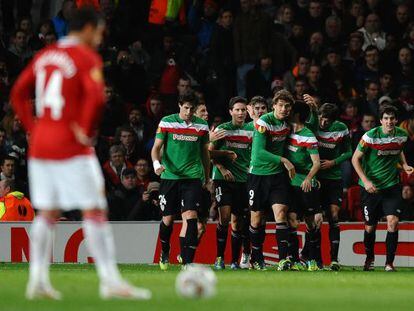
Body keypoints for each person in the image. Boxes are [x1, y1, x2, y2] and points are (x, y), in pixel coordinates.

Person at [11, 7, 151, 300]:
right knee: (95, 210)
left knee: (47, 212)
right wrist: (85, 131)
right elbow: (97, 96)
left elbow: (18, 93)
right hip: (70, 144)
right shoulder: (86, 57)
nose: (100, 38)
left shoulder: (45, 55)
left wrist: (30, 127)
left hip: (41, 144)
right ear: (87, 28)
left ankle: (37, 279)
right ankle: (110, 281)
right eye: (99, 31)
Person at [151, 92, 210, 269]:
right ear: (179, 105)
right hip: (170, 177)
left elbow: (205, 154)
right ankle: (165, 251)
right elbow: (156, 148)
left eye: (192, 108)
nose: (189, 112)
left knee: (191, 216)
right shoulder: (167, 122)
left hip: (192, 177)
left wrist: (206, 178)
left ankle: (187, 261)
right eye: (186, 108)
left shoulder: (202, 126)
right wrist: (156, 164)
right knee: (168, 219)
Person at [351, 105, 413, 272]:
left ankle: (389, 264)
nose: (389, 121)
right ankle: (369, 257)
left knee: (392, 222)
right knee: (370, 227)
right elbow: (355, 159)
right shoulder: (370, 136)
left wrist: (405, 165)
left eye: (392, 118)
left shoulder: (402, 135)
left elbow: (398, 150)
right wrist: (366, 181)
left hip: (392, 186)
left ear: (396, 120)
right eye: (386, 118)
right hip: (370, 188)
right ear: (381, 120)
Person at [247, 90, 295, 270]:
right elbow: (259, 152)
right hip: (258, 175)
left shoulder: (287, 123)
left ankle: (283, 259)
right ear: (274, 106)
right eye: (281, 105)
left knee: (281, 213)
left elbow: (309, 126)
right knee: (257, 219)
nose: (284, 109)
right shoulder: (263, 122)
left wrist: (313, 110)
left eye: (287, 106)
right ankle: (256, 257)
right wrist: (283, 160)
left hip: (277, 177)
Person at [305, 99, 352, 270]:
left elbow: (348, 152)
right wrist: (312, 108)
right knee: (316, 219)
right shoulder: (313, 124)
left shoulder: (341, 129)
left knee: (333, 215)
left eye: (327, 120)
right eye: (322, 118)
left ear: (334, 121)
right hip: (315, 177)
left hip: (333, 178)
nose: (323, 122)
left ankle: (334, 260)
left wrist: (333, 162)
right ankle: (312, 257)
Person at [210, 96, 253, 270]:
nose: (241, 113)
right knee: (225, 218)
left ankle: (234, 261)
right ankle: (219, 258)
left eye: (243, 110)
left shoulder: (252, 130)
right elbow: (209, 153)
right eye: (237, 110)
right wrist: (222, 167)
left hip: (243, 180)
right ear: (230, 112)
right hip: (223, 179)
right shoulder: (223, 129)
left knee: (238, 222)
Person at [285, 100, 321, 271]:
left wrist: (308, 178)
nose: (287, 111)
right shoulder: (285, 131)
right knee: (291, 220)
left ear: (296, 114)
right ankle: (293, 259)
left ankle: (311, 259)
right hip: (289, 184)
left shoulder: (308, 135)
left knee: (309, 222)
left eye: (290, 109)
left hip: (305, 184)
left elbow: (316, 163)